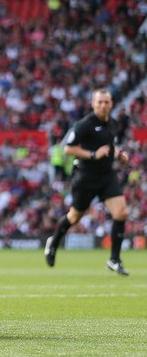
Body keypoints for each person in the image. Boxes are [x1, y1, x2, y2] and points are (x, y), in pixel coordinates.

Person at [44, 89, 131, 275]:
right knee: (74, 217)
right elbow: (68, 149)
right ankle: (54, 241)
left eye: (106, 102)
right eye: (99, 102)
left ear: (111, 104)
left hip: (107, 176)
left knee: (121, 213)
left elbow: (110, 148)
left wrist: (119, 155)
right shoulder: (84, 124)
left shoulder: (113, 124)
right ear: (93, 103)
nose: (103, 105)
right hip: (86, 177)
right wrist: (92, 154)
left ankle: (114, 259)